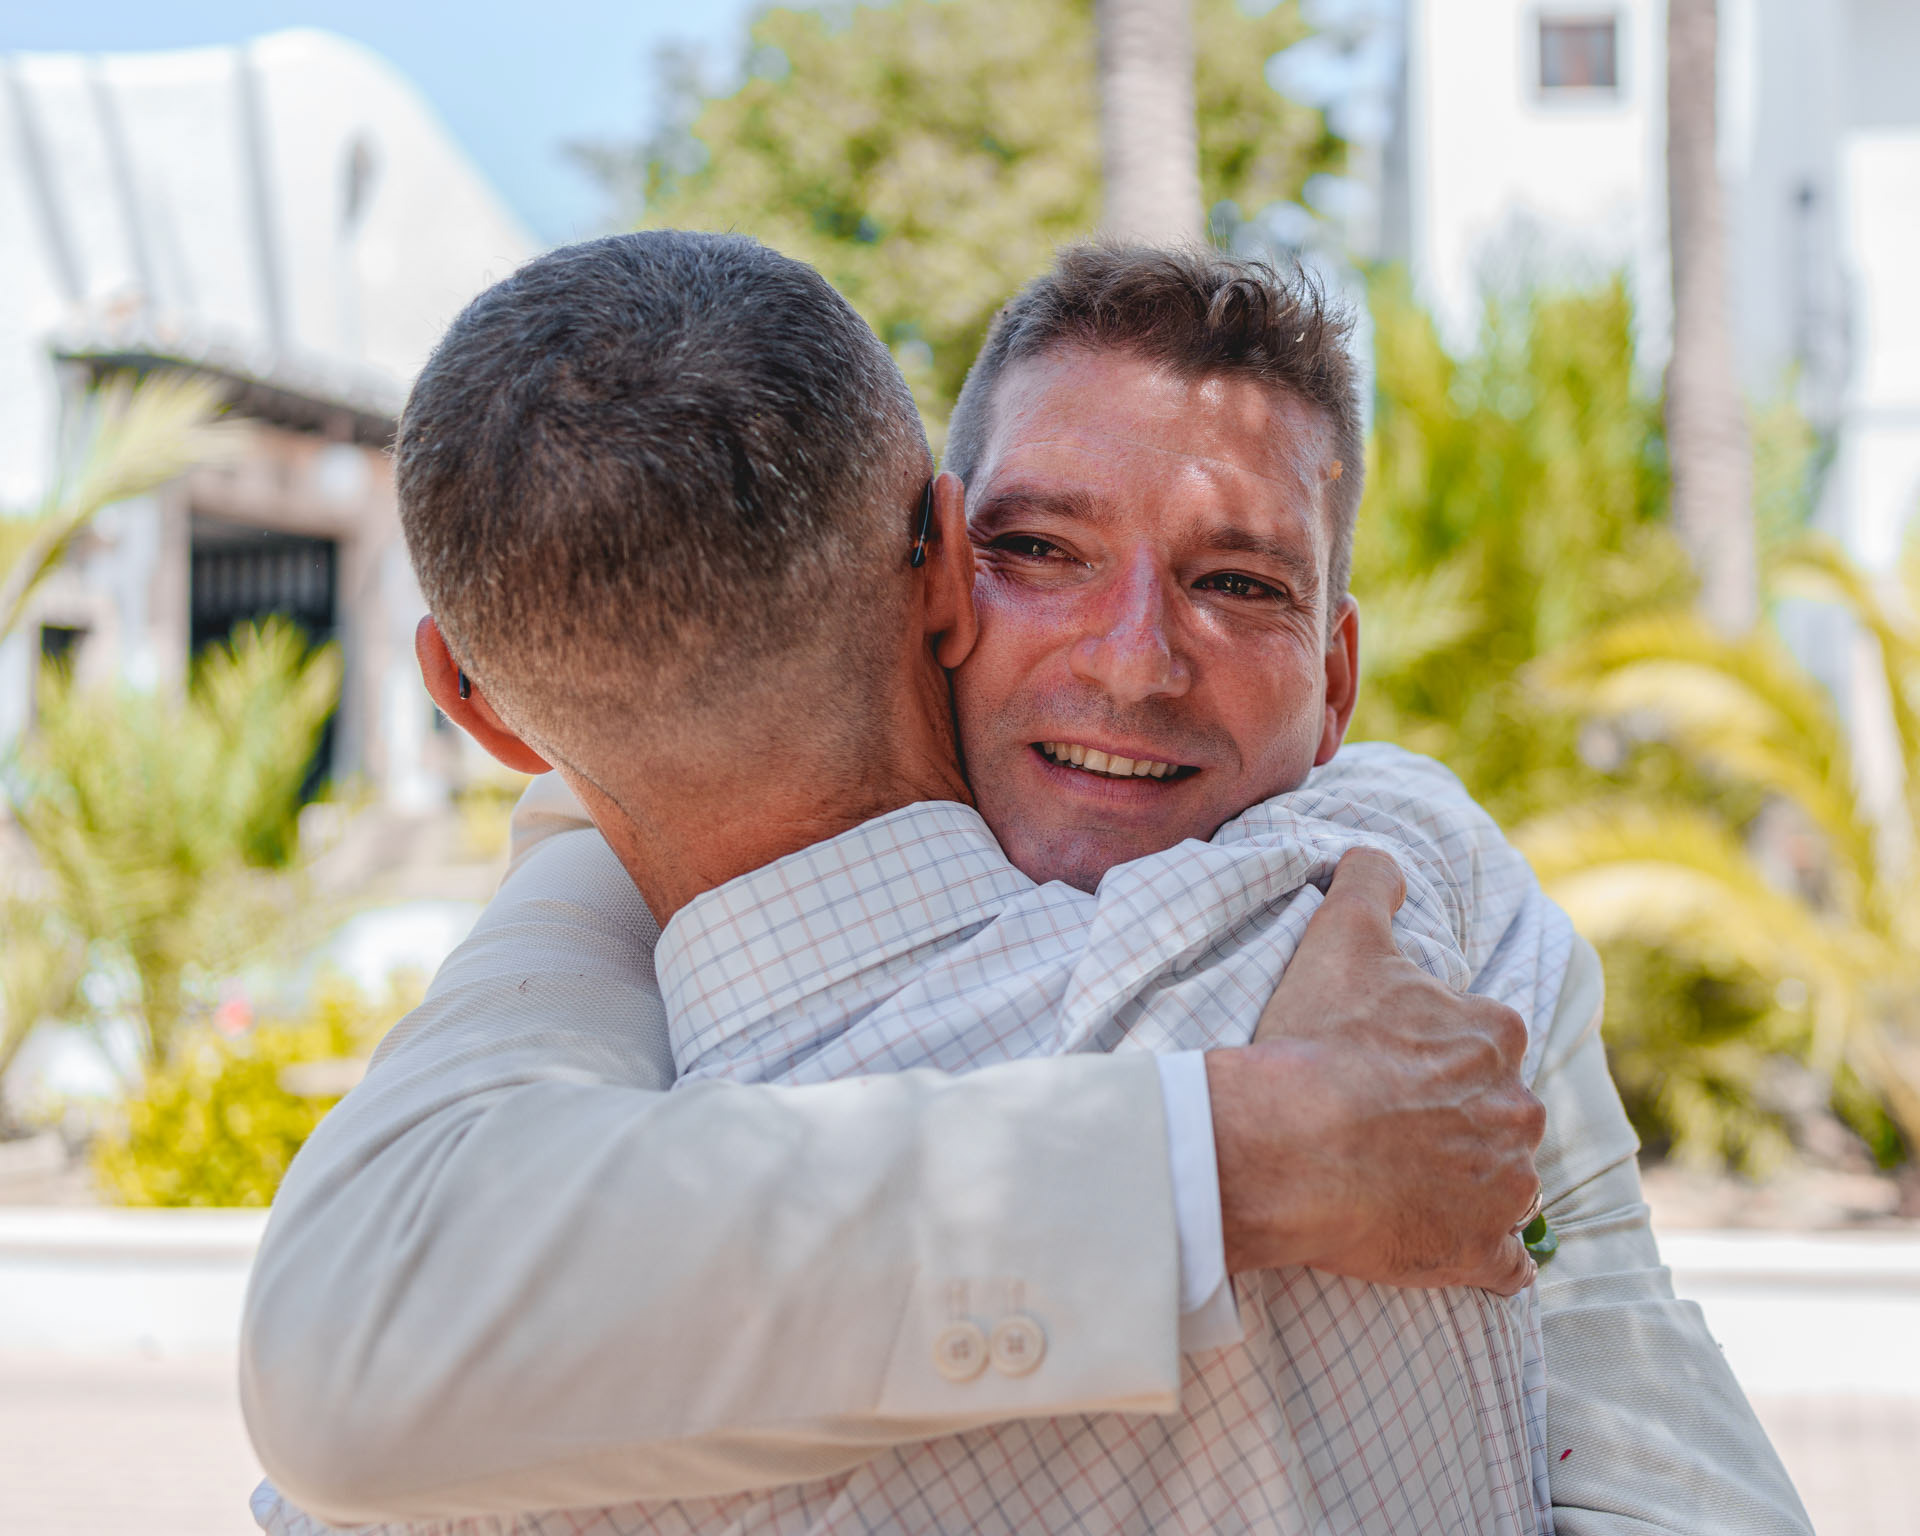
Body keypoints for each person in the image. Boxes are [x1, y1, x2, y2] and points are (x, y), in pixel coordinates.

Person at [241, 236, 1809, 1534]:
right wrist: (1252, 1145)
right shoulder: (1411, 893)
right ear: (934, 557)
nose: (1133, 663)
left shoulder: (483, 1412)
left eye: (1238, 583)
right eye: (1045, 549)